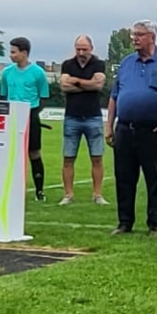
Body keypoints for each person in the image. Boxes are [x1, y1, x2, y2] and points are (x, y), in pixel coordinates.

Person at [107, 22, 157, 236]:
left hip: (153, 130)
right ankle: (124, 222)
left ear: (152, 37)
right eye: (133, 35)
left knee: (154, 179)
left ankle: (155, 223)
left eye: (139, 35)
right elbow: (114, 95)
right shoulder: (126, 63)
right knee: (124, 177)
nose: (134, 38)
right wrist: (109, 126)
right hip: (125, 129)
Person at [0, 37, 53, 202]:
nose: (11, 55)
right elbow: (3, 95)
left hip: (30, 114)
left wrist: (33, 113)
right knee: (12, 154)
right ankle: (12, 189)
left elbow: (44, 97)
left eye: (14, 52)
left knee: (34, 152)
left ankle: (39, 190)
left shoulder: (38, 72)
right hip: (12, 116)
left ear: (24, 53)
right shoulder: (7, 72)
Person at [57, 35, 106, 205]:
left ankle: (97, 194)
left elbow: (98, 85)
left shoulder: (98, 64)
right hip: (72, 117)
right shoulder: (67, 64)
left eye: (84, 49)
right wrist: (87, 85)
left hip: (93, 117)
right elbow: (64, 86)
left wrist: (76, 81)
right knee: (68, 158)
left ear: (91, 48)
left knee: (97, 158)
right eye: (78, 49)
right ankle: (68, 194)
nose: (81, 52)